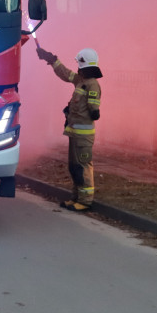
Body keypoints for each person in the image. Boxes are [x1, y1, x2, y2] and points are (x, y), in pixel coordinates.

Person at [35, 45, 103, 211]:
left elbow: (94, 110)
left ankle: (85, 201)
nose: (77, 67)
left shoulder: (92, 85)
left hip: (84, 135)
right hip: (74, 132)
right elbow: (65, 74)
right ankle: (76, 197)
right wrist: (52, 60)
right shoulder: (81, 81)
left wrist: (93, 110)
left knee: (83, 165)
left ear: (84, 64)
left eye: (79, 64)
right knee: (74, 167)